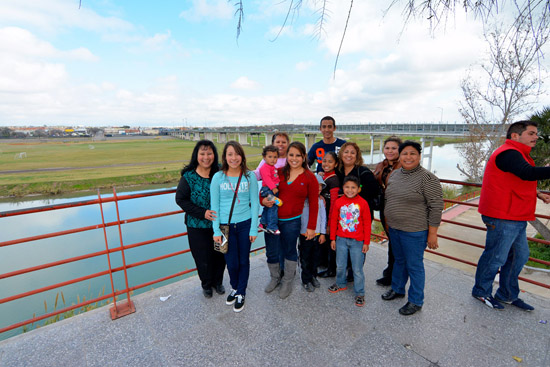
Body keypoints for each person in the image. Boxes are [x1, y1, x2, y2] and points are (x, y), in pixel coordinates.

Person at [472, 120, 550, 311]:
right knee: (495, 257)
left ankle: (507, 294)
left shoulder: (517, 154)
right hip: (502, 216)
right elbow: (527, 173)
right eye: (531, 133)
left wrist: (536, 193)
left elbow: (514, 180)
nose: (536, 137)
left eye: (536, 134)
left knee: (519, 256)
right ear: (515, 136)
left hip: (515, 215)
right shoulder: (508, 153)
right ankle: (481, 292)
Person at [382, 141, 443, 316]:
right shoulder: (395, 175)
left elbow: (436, 206)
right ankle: (398, 289)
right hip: (395, 228)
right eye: (405, 154)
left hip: (415, 231)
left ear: (419, 156)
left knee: (414, 265)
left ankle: (416, 300)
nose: (408, 157)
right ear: (400, 156)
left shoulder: (427, 178)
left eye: (412, 153)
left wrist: (433, 233)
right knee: (399, 261)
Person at [261, 141, 319, 299]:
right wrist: (263, 201)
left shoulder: (309, 177)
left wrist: (311, 227)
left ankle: (288, 280)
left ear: (304, 157)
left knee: (289, 251)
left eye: (298, 155)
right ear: (286, 156)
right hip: (273, 220)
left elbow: (314, 204)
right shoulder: (278, 171)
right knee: (272, 251)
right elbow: (265, 191)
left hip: (292, 222)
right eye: (291, 155)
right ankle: (275, 277)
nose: (294, 158)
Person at [211, 141, 259, 312]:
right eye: (230, 154)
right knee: (231, 262)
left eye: (237, 154)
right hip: (224, 227)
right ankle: (234, 286)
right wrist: (216, 230)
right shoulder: (218, 177)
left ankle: (241, 292)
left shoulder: (249, 176)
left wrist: (254, 228)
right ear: (224, 157)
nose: (234, 158)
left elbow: (255, 203)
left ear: (242, 156)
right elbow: (214, 206)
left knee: (243, 260)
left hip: (245, 224)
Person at [175, 140, 226, 299]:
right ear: (196, 155)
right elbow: (181, 199)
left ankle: (218, 282)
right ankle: (206, 285)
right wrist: (202, 213)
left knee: (220, 255)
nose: (206, 157)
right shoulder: (189, 177)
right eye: (202, 153)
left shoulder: (221, 173)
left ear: (214, 155)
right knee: (202, 258)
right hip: (196, 226)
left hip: (221, 224)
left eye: (209, 153)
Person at [336, 141, 381, 283]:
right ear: (341, 154)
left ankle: (354, 273)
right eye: (346, 152)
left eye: (352, 153)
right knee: (344, 243)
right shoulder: (339, 171)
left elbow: (375, 190)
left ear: (357, 156)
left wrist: (357, 200)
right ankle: (345, 270)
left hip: (360, 216)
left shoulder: (363, 172)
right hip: (344, 216)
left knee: (358, 244)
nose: (349, 155)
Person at [328, 176, 371, 307]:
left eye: (353, 187)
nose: (350, 190)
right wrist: (332, 238)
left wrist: (366, 242)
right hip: (341, 239)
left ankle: (360, 293)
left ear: (358, 189)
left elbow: (367, 224)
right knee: (340, 265)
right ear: (343, 188)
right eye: (347, 187)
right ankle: (340, 283)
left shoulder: (363, 203)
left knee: (357, 269)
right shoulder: (339, 202)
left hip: (357, 241)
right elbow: (334, 220)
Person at [372, 136, 403, 286]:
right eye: (387, 148)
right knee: (392, 241)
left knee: (396, 242)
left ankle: (393, 275)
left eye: (394, 148)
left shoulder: (404, 166)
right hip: (384, 208)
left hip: (397, 209)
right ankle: (390, 272)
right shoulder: (381, 165)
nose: (390, 151)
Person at [298, 174, 327, 292]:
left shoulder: (320, 201)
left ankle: (313, 277)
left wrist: (323, 233)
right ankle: (305, 280)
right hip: (304, 234)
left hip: (317, 234)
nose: (318, 190)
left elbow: (323, 217)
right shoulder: (302, 201)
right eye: (316, 188)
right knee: (305, 258)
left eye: (320, 188)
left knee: (315, 258)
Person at [318, 151, 340, 278]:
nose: (326, 164)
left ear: (336, 164)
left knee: (332, 244)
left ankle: (332, 269)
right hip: (324, 216)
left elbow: (334, 203)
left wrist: (330, 223)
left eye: (330, 161)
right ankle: (325, 264)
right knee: (326, 243)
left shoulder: (334, 180)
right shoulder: (324, 176)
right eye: (324, 161)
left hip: (330, 217)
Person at [259, 145, 281, 235]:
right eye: (270, 157)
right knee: (274, 206)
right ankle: (272, 226)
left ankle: (262, 223)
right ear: (264, 157)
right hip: (268, 189)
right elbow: (267, 179)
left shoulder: (272, 167)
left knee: (268, 207)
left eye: (275, 157)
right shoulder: (264, 167)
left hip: (270, 189)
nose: (273, 159)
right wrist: (274, 187)